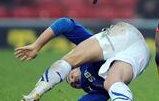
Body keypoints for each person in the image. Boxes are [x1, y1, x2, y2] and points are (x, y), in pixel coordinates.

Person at [14, 17, 151, 101]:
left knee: (70, 59)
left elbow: (65, 24)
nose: (72, 80)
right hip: (141, 52)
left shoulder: (87, 49)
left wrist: (36, 46)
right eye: (73, 85)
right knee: (112, 82)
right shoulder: (99, 90)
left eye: (70, 76)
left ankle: (36, 93)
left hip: (124, 34)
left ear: (77, 69)